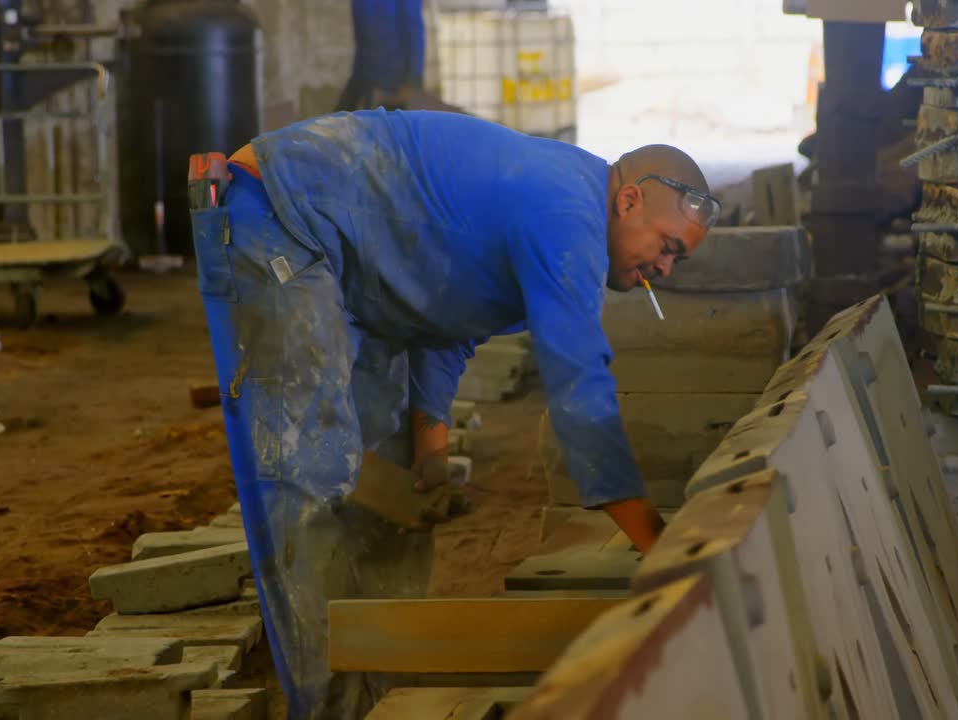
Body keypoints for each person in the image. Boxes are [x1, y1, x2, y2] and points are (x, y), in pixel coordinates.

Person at [193, 109, 718, 719]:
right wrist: (655, 543)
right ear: (628, 200)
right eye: (668, 247)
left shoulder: (565, 219)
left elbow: (449, 324)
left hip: (361, 274)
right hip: (284, 214)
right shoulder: (565, 214)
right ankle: (328, 710)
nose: (665, 270)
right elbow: (580, 388)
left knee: (390, 490)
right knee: (309, 473)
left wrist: (431, 451)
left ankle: (384, 695)